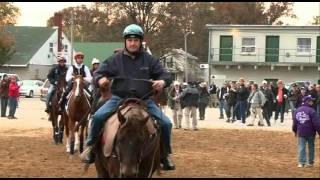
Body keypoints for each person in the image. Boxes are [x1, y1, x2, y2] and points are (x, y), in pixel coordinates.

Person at [80, 24, 175, 170]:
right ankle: (91, 148)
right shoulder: (115, 59)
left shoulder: (150, 60)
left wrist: (162, 82)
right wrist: (101, 80)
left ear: (140, 42)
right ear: (125, 41)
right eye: (130, 40)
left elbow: (166, 75)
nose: (132, 43)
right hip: (119, 98)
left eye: (136, 40)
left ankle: (164, 155)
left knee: (167, 123)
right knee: (98, 117)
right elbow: (98, 73)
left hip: (144, 100)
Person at [292, 95, 320, 168]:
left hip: (301, 132)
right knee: (311, 147)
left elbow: (295, 123)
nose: (312, 102)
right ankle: (310, 163)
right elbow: (317, 124)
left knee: (301, 147)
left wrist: (295, 131)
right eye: (311, 101)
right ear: (307, 102)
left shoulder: (297, 110)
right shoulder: (312, 111)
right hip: (311, 132)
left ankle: (301, 162)